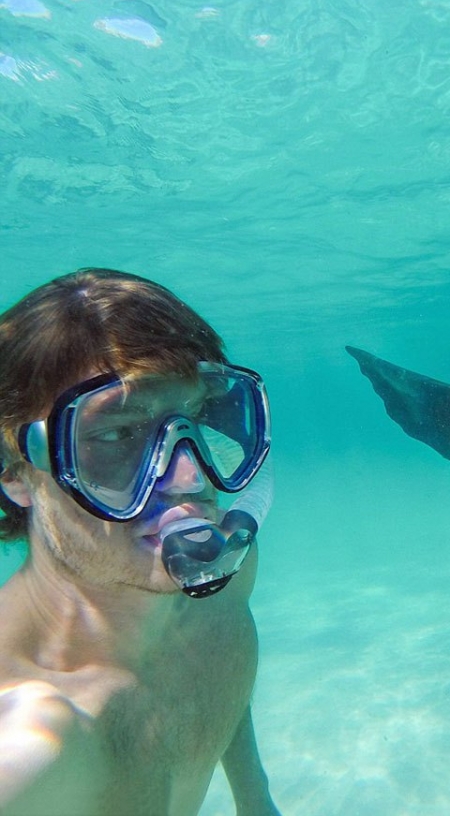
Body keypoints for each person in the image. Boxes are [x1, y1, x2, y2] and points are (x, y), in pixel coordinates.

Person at [0, 269, 282, 815]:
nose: (189, 479)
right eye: (115, 434)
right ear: (14, 470)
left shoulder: (221, 577)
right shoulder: (33, 745)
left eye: (198, 417)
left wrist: (256, 799)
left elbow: (218, 672)